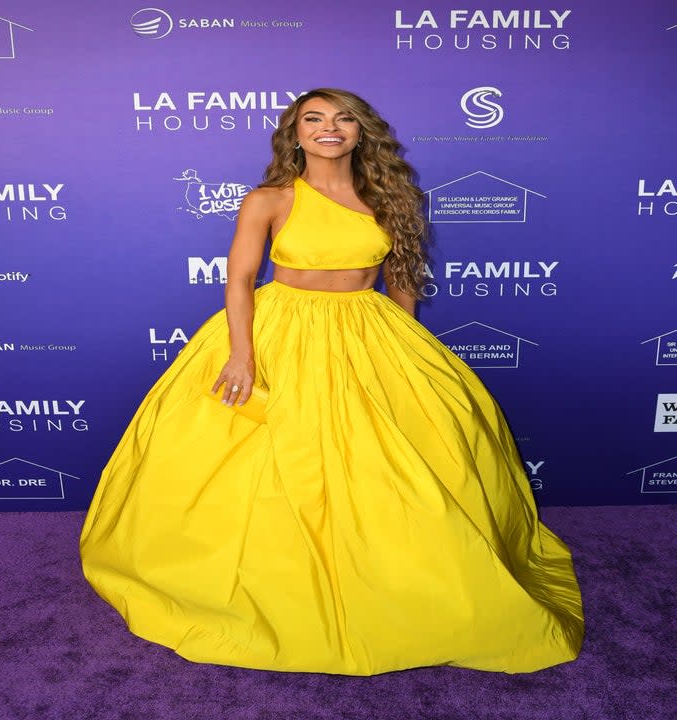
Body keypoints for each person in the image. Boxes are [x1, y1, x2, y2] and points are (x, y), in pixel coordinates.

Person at [80, 88, 584, 676]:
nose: (329, 128)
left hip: (369, 329)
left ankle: (395, 579)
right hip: (282, 330)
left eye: (343, 118)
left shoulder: (391, 196)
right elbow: (240, 280)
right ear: (294, 134)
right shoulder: (270, 199)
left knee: (393, 464)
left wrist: (408, 345)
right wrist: (242, 356)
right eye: (312, 119)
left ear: (360, 130)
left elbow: (400, 276)